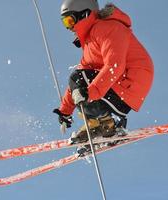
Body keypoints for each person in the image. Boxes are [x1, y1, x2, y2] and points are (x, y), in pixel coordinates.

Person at [53, 0, 154, 146]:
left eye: (70, 21)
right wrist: (65, 111)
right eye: (65, 23)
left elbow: (115, 65)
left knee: (80, 81)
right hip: (119, 84)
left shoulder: (108, 28)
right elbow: (78, 81)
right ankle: (98, 123)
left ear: (84, 14)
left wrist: (90, 93)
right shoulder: (90, 42)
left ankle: (105, 122)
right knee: (78, 78)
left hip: (130, 81)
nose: (69, 28)